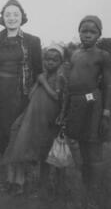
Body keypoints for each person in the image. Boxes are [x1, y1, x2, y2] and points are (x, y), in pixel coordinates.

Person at [2, 45, 68, 195]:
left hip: (49, 118)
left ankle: (56, 187)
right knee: (38, 148)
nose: (50, 62)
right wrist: (39, 82)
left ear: (60, 62)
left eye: (54, 60)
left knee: (50, 151)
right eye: (47, 59)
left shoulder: (59, 77)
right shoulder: (42, 76)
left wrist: (43, 83)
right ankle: (37, 184)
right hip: (35, 115)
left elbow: (57, 97)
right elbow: (31, 95)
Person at [63, 15, 111, 209]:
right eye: (84, 31)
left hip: (93, 105)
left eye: (93, 31)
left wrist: (106, 113)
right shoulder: (74, 54)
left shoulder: (103, 55)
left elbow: (108, 85)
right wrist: (65, 110)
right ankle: (84, 187)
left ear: (99, 34)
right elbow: (69, 85)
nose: (88, 35)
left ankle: (95, 192)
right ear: (79, 32)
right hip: (76, 105)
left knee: (93, 148)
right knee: (80, 147)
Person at [0, 0, 42, 155]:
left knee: (20, 125)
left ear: (22, 17)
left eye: (15, 14)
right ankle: (4, 159)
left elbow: (38, 70)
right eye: (8, 14)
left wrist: (36, 93)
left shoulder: (33, 41)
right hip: (1, 90)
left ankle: (20, 162)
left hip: (23, 90)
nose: (11, 18)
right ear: (2, 18)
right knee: (3, 125)